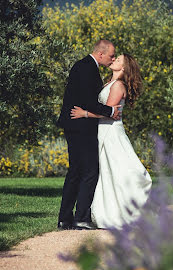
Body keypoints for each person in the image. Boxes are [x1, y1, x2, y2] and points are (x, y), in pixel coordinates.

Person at [70, 53, 152, 229]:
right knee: (106, 171)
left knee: (118, 169)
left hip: (111, 132)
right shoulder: (108, 83)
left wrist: (83, 113)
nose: (114, 60)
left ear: (123, 68)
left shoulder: (117, 86)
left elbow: (108, 112)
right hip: (102, 129)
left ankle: (127, 211)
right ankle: (107, 211)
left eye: (118, 60)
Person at [56, 40, 121, 230]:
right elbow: (87, 101)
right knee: (90, 171)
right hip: (81, 127)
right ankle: (81, 218)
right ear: (100, 54)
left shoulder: (84, 66)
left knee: (76, 172)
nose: (113, 58)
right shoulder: (87, 68)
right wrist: (110, 111)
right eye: (111, 55)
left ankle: (65, 218)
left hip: (76, 125)